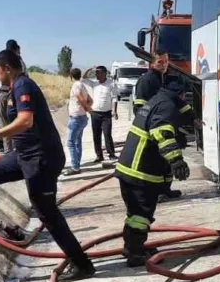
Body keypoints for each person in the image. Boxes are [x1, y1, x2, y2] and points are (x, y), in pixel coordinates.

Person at [0, 50, 95, 281]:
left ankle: (82, 265)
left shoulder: (23, 85)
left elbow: (26, 121)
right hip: (25, 155)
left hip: (41, 159)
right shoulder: (16, 86)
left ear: (7, 68)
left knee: (47, 213)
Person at [115, 76, 191, 266]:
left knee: (135, 214)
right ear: (181, 94)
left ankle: (133, 247)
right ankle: (136, 253)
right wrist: (176, 160)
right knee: (141, 215)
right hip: (141, 171)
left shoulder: (156, 99)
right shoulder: (167, 105)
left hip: (131, 168)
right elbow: (161, 132)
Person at [132, 50, 194, 200]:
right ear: (152, 63)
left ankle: (165, 190)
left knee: (165, 163)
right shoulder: (147, 80)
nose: (164, 65)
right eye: (160, 62)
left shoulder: (161, 78)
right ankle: (156, 192)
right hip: (154, 129)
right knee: (157, 163)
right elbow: (140, 108)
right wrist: (152, 128)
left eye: (166, 61)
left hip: (163, 125)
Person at [0, 39, 26, 151]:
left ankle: (8, 151)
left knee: (4, 122)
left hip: (0, 93)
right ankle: (11, 152)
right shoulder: (18, 61)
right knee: (11, 124)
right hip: (9, 93)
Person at [83, 65, 118, 163]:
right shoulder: (94, 83)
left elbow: (114, 98)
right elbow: (83, 78)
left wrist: (115, 111)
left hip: (106, 114)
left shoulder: (111, 84)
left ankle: (111, 154)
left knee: (107, 134)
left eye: (99, 73)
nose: (97, 75)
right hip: (95, 113)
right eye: (96, 73)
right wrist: (90, 68)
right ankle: (99, 156)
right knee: (96, 135)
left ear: (104, 73)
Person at [62, 67, 92, 176]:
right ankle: (77, 165)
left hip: (76, 118)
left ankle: (75, 167)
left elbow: (82, 99)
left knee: (70, 143)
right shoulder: (82, 85)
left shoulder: (76, 86)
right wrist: (87, 109)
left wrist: (88, 109)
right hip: (82, 117)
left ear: (71, 76)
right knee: (77, 142)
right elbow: (90, 100)